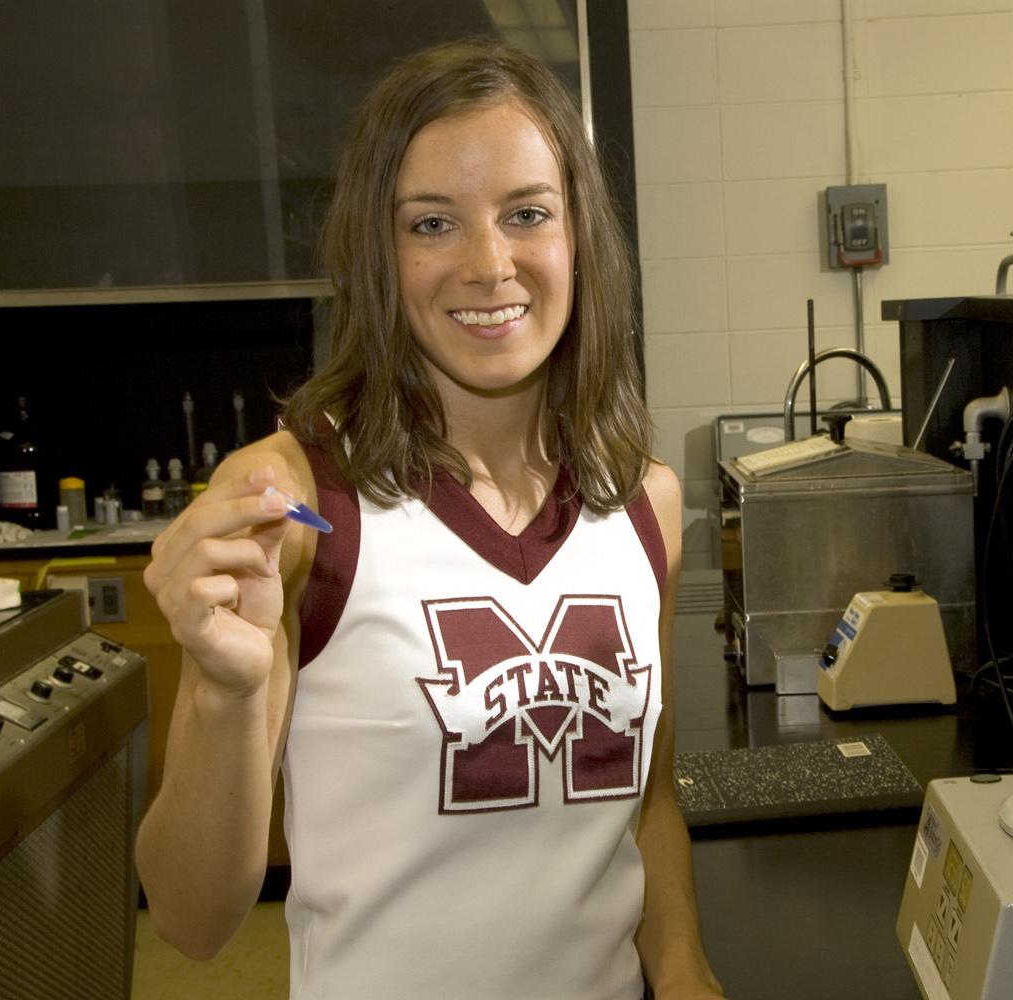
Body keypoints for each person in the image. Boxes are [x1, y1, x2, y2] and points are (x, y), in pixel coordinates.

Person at [137, 38, 726, 1000]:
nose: (489, 265)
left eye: (527, 214)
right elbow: (193, 921)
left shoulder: (643, 500)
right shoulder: (294, 504)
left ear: (580, 234)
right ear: (379, 251)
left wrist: (684, 968)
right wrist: (227, 693)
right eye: (433, 225)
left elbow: (646, 800)